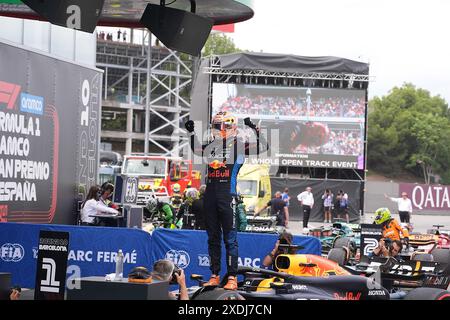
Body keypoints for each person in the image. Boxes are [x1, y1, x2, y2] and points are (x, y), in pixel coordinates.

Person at [185, 112, 268, 290]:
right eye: (217, 126)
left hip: (227, 195)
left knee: (230, 238)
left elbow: (263, 146)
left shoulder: (239, 145)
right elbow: (197, 149)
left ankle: (231, 277)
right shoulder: (211, 146)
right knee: (212, 237)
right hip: (210, 195)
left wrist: (254, 129)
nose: (221, 130)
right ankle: (214, 275)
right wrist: (192, 133)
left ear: (233, 127)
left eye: (225, 126)